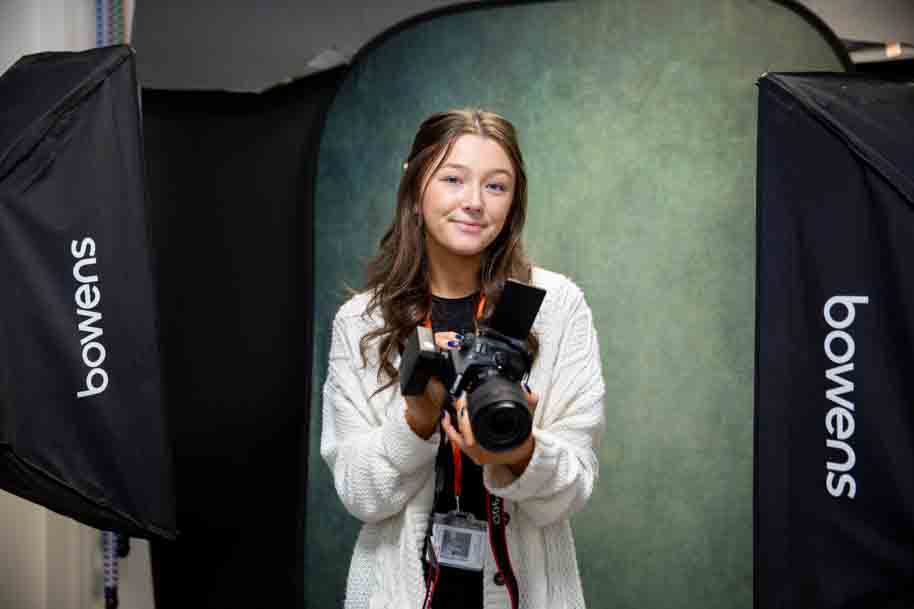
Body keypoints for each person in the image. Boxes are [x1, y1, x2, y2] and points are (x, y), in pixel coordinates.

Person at [320, 109, 605, 609]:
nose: (474, 202)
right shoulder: (362, 322)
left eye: (496, 186)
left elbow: (574, 487)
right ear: (414, 186)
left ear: (514, 201)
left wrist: (520, 456)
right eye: (453, 179)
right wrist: (416, 422)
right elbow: (359, 495)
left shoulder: (556, 307)